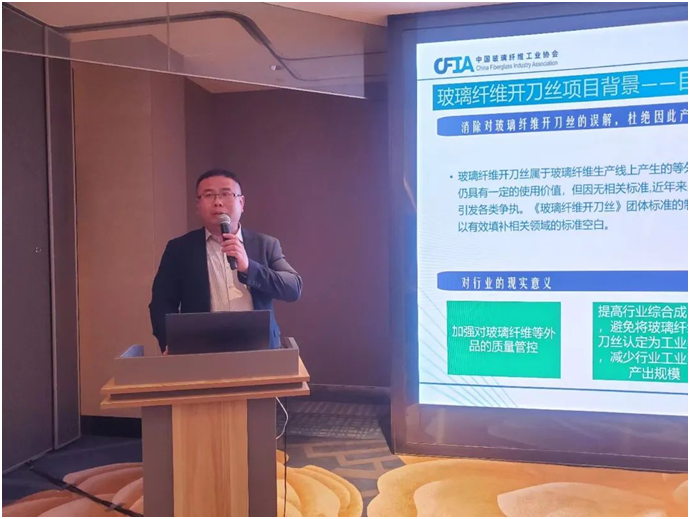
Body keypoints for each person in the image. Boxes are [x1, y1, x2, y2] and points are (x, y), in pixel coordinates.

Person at [149, 168, 302, 352]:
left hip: (260, 349)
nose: (218, 202)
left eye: (226, 194)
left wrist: (249, 268)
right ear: (198, 205)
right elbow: (161, 302)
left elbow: (293, 288)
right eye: (208, 195)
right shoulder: (179, 249)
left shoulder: (266, 244)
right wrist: (169, 341)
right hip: (201, 351)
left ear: (241, 202)